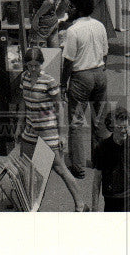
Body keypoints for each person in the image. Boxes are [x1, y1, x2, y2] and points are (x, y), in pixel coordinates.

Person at [16, 47, 88, 212]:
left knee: (59, 168)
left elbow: (59, 108)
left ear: (41, 63)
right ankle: (29, 204)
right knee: (24, 166)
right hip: (30, 129)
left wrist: (62, 135)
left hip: (48, 130)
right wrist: (19, 126)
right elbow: (23, 104)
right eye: (30, 65)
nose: (33, 69)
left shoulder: (49, 81)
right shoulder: (24, 78)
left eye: (36, 65)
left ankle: (80, 204)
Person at [61, 0, 108, 178]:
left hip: (81, 77)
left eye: (69, 6)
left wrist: (63, 85)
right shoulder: (99, 25)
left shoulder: (73, 31)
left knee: (76, 123)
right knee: (99, 121)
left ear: (76, 9)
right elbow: (105, 54)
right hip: (100, 74)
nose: (67, 9)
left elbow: (68, 61)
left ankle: (78, 168)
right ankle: (99, 162)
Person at [91, 105, 130, 212]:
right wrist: (94, 208)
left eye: (126, 127)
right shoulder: (102, 148)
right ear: (111, 127)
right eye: (120, 128)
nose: (124, 131)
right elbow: (97, 179)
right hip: (111, 202)